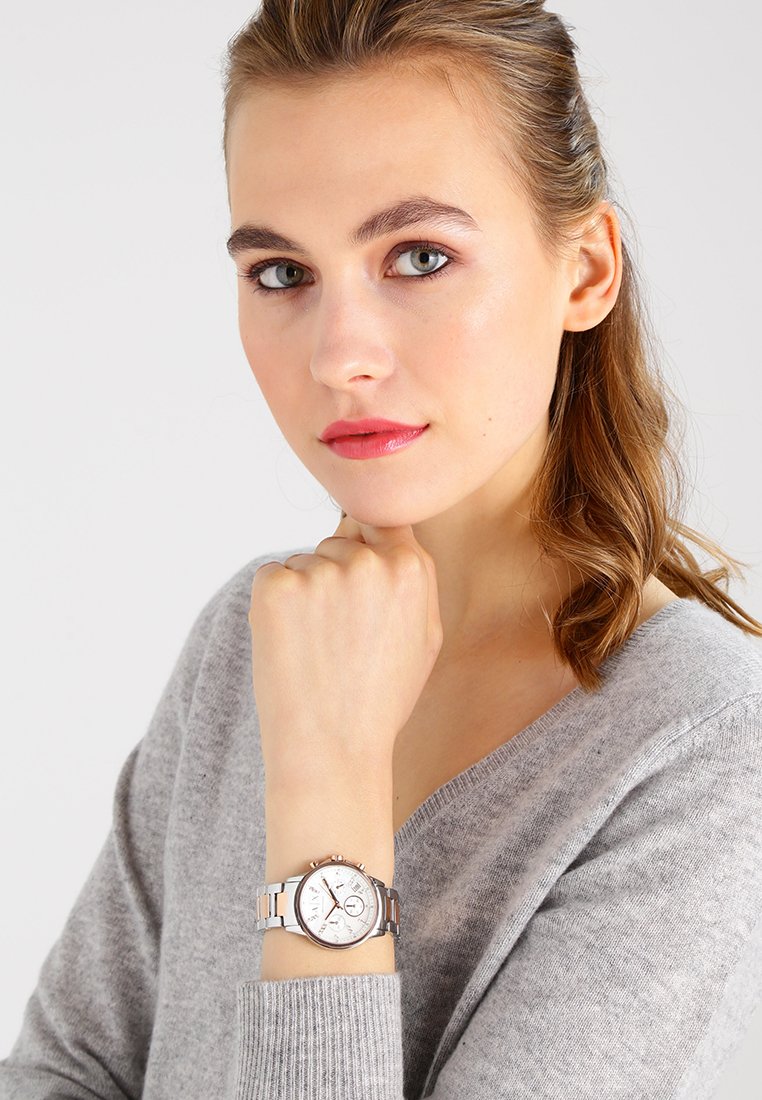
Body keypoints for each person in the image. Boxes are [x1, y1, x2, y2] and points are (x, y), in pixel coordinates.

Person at [2, 1, 762, 1097]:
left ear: (587, 270)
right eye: (282, 272)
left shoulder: (703, 741)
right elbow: (64, 1069)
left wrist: (328, 784)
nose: (339, 355)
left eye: (419, 256)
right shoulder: (250, 634)